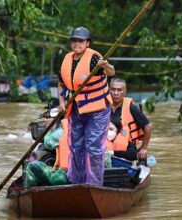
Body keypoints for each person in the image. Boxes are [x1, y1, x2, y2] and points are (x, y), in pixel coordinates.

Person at [58, 26, 115, 186]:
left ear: (87, 43)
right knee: (75, 147)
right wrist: (62, 103)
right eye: (74, 40)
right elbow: (61, 84)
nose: (77, 43)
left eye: (80, 41)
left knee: (94, 148)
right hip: (76, 109)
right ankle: (76, 182)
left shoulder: (94, 59)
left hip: (97, 110)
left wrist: (106, 66)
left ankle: (94, 184)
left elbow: (111, 72)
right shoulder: (67, 59)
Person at [109, 77, 152, 161]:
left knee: (132, 155)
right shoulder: (103, 105)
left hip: (126, 146)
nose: (116, 93)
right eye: (113, 89)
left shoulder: (131, 107)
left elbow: (148, 126)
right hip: (105, 144)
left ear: (125, 92)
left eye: (119, 90)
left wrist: (144, 148)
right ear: (109, 90)